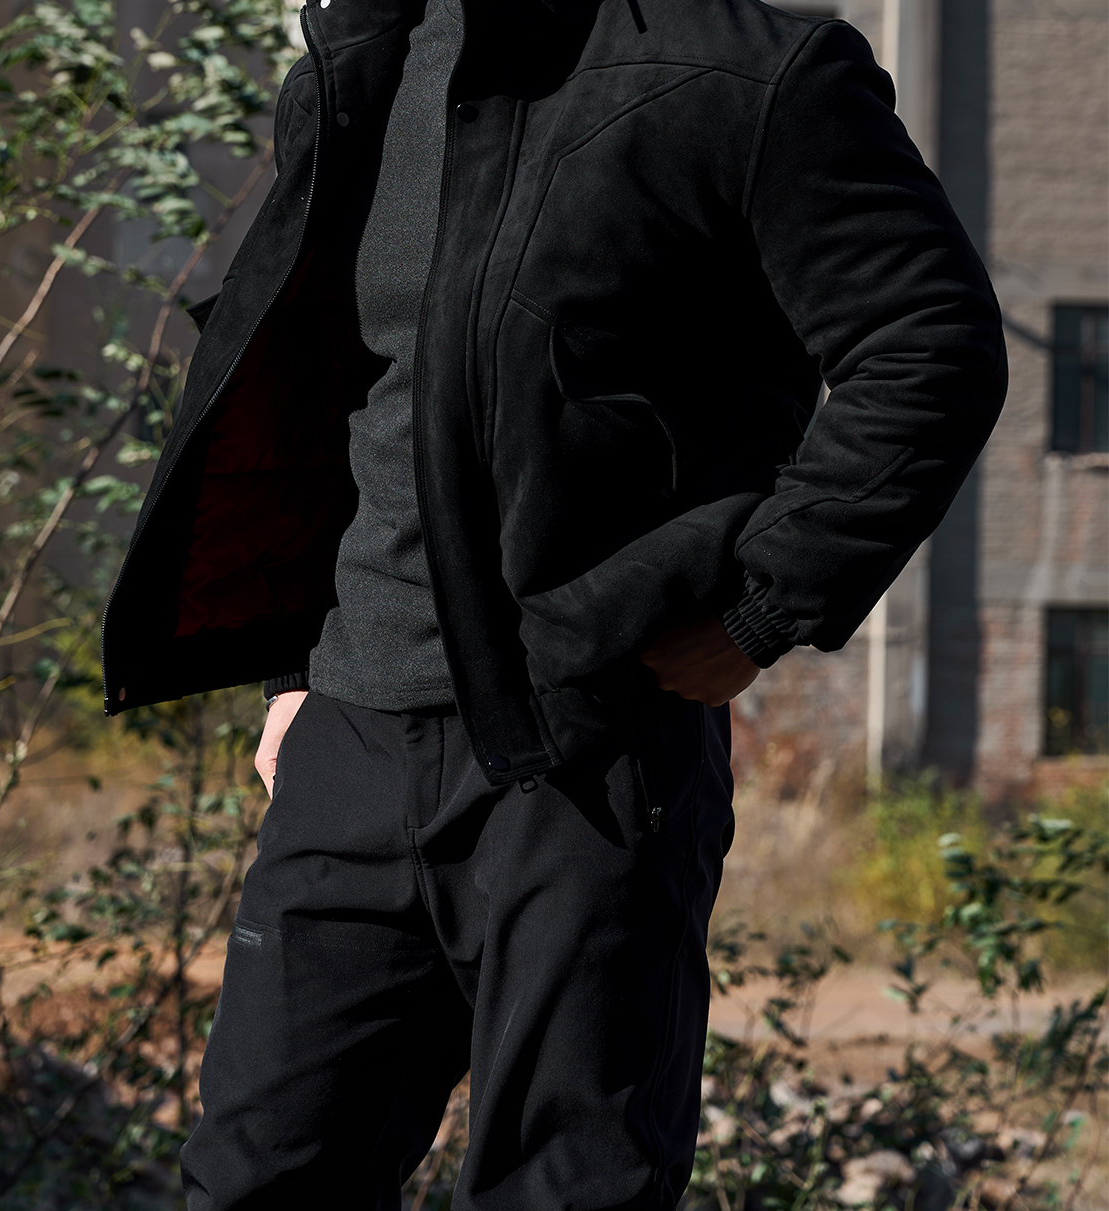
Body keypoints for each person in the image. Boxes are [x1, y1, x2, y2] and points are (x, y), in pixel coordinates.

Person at [101, 0, 1007, 1205]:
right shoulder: (371, 59)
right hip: (349, 739)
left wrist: (763, 608)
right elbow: (334, 384)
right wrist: (294, 667)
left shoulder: (753, 72)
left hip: (588, 745)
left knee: (566, 1188)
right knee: (256, 1180)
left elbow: (930, 346)